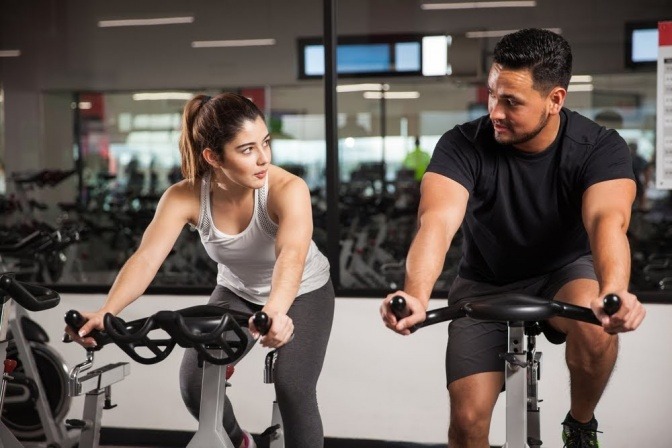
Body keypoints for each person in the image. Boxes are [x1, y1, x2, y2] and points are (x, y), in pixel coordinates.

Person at [379, 29, 646, 448]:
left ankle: (579, 424)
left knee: (596, 330)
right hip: (485, 278)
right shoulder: (461, 144)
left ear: (555, 100)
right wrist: (416, 294)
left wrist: (614, 293)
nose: (495, 111)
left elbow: (607, 222)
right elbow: (437, 221)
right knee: (467, 424)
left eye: (511, 101)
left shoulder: (599, 147)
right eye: (491, 94)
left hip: (563, 273)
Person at [66, 92, 335, 448]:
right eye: (247, 149)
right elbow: (147, 258)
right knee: (194, 383)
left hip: (303, 290)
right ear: (213, 156)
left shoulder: (287, 189)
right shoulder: (185, 196)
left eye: (265, 143)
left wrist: (274, 311)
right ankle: (240, 441)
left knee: (293, 384)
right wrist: (106, 312)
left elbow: (291, 256)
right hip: (237, 292)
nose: (264, 158)